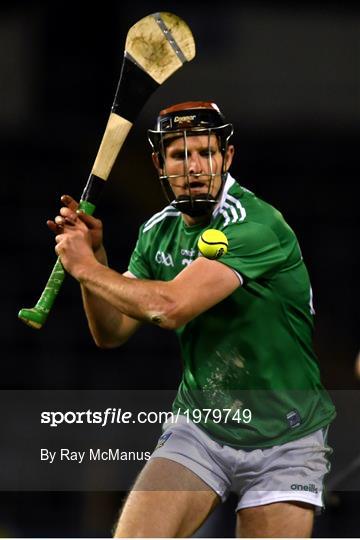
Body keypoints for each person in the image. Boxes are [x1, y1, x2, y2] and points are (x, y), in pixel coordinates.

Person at [48, 101, 336, 538]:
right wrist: (98, 258)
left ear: (228, 158)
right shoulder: (157, 232)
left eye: (206, 152)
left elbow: (169, 307)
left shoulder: (255, 225)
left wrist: (86, 267)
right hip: (202, 425)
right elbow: (111, 332)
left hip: (286, 435)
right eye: (181, 155)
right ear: (159, 163)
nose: (196, 166)